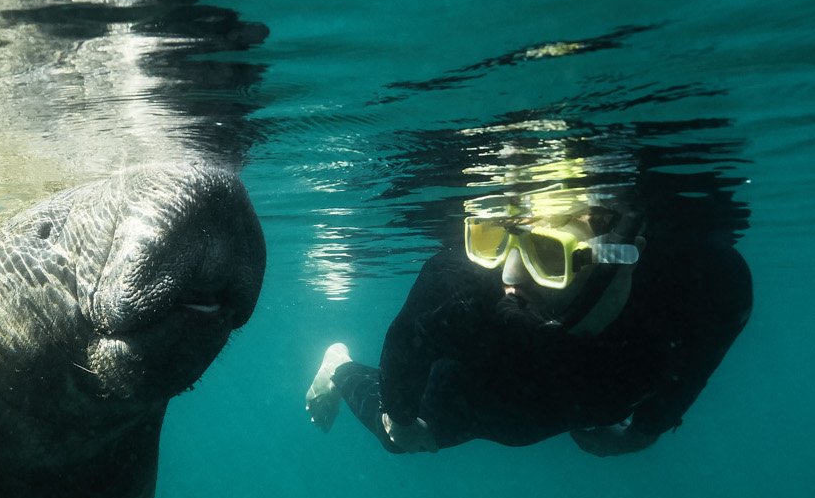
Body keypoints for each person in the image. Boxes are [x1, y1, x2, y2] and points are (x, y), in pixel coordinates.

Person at [305, 185, 750, 456]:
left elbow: (700, 359)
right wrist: (400, 419)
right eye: (499, 244)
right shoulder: (462, 281)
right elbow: (406, 339)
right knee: (398, 441)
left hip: (595, 393)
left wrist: (645, 431)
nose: (509, 278)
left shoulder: (705, 281)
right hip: (495, 395)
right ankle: (337, 366)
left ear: (628, 256)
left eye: (549, 253)